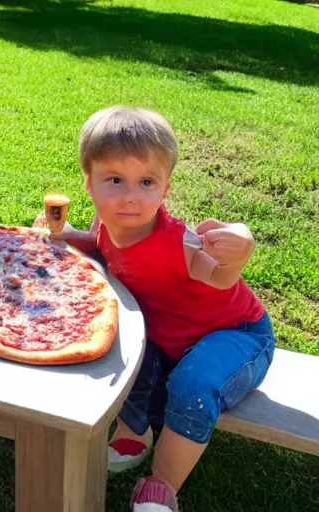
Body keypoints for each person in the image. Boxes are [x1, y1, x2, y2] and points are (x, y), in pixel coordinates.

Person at [52, 106, 275, 512]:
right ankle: (134, 431)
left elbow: (221, 277)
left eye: (147, 182)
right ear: (90, 183)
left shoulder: (179, 242)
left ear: (165, 189)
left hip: (236, 335)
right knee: (123, 344)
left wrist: (240, 247)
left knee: (192, 383)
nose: (131, 196)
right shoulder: (107, 223)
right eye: (115, 180)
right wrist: (69, 237)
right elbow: (101, 246)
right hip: (166, 338)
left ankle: (162, 486)